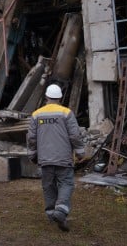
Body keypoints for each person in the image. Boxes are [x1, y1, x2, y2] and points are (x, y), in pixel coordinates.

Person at [27, 83, 85, 232]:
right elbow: (74, 135)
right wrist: (80, 152)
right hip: (63, 158)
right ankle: (61, 210)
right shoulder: (66, 113)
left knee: (48, 186)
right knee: (66, 184)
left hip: (45, 159)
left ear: (46, 97)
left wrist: (32, 154)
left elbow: (31, 138)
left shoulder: (36, 114)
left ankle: (51, 214)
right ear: (60, 98)